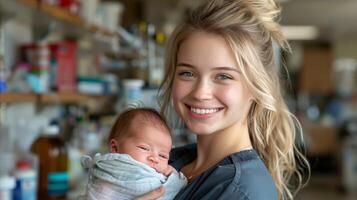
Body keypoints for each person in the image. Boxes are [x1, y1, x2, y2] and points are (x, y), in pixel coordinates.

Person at [138, 0, 310, 199]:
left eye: (223, 76)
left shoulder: (240, 191)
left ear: (257, 86)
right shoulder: (173, 160)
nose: (201, 92)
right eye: (187, 73)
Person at [81, 108, 187, 200]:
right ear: (115, 147)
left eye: (163, 156)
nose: (155, 158)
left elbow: (173, 187)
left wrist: (172, 175)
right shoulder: (108, 171)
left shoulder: (163, 175)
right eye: (144, 148)